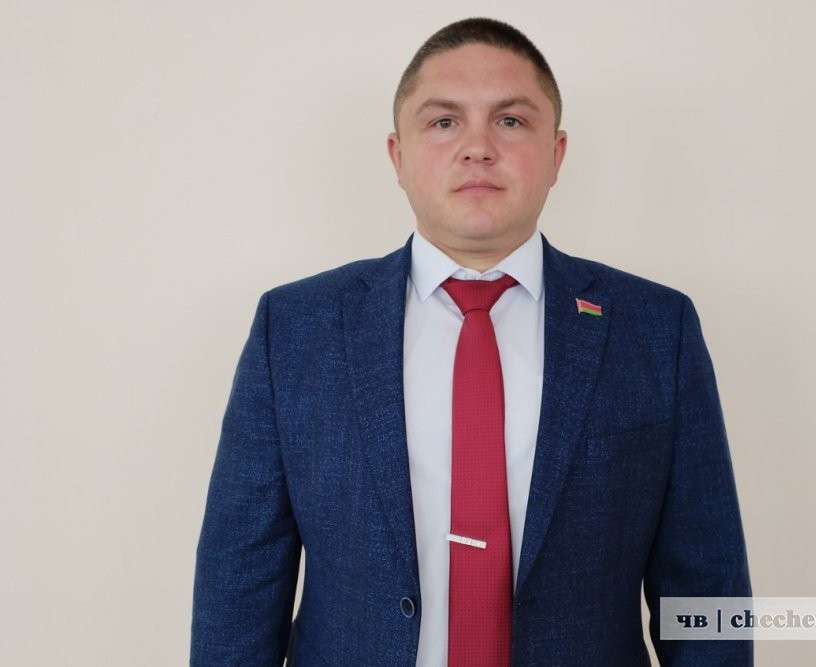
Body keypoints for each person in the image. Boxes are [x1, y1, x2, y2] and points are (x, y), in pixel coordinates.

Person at [191, 17, 751, 666]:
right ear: (398, 157)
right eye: (443, 121)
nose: (478, 147)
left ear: (556, 154)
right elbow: (238, 582)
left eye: (510, 121)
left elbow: (708, 589)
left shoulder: (655, 329)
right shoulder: (295, 328)